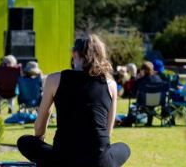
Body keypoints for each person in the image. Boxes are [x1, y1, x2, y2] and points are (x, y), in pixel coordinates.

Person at [17, 35, 131, 167]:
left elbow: (39, 127)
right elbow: (107, 131)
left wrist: (40, 142)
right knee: (124, 148)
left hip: (64, 159)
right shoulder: (110, 84)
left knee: (24, 141)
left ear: (74, 53)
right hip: (99, 161)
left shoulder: (55, 79)